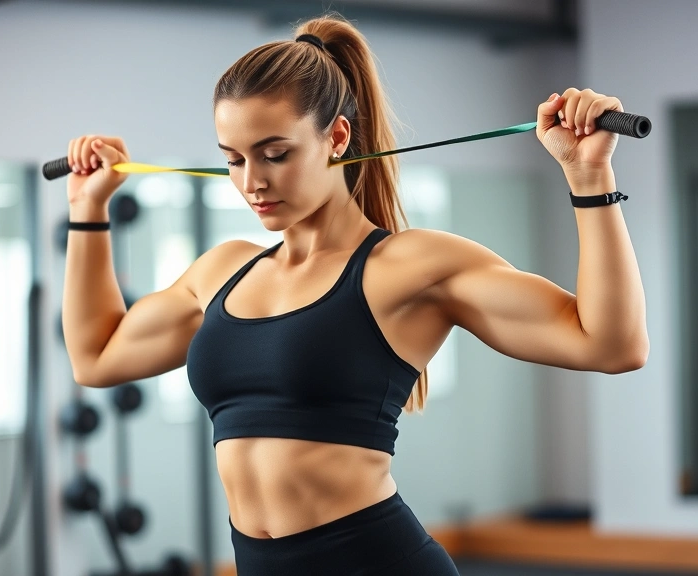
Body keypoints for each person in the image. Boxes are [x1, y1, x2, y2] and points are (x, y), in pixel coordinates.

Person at [61, 13, 648, 576]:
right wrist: (87, 213)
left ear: (337, 137)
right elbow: (96, 355)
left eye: (275, 154)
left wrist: (589, 178)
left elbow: (611, 344)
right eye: (234, 160)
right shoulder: (223, 272)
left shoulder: (407, 267)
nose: (252, 183)